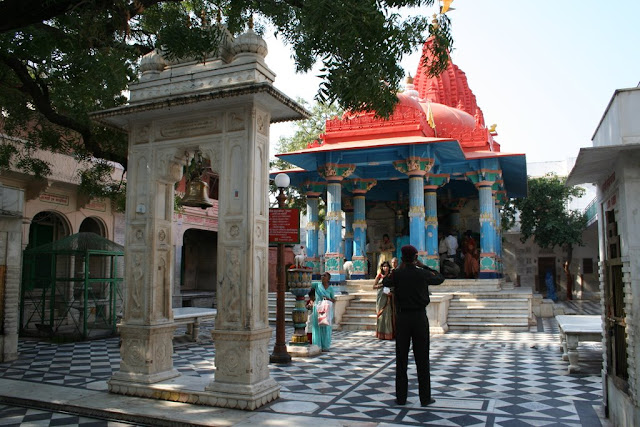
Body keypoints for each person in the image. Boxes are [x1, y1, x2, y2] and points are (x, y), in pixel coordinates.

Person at [384, 244, 444, 407]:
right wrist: (423, 265)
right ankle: (425, 398)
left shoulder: (397, 274)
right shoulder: (422, 273)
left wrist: (396, 268)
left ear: (402, 258)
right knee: (422, 358)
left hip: (402, 317)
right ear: (416, 258)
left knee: (401, 359)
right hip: (419, 317)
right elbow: (439, 278)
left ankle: (401, 397)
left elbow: (385, 281)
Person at [310, 272, 336, 351]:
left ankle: (325, 345)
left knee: (326, 326)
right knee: (317, 327)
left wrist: (328, 299)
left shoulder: (330, 288)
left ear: (328, 278)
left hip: (326, 309)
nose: (322, 277)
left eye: (324, 276)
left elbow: (334, 299)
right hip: (317, 308)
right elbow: (308, 286)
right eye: (321, 275)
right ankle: (317, 345)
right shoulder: (317, 285)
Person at [373, 261, 395, 340]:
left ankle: (388, 333)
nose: (386, 268)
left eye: (387, 266)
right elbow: (374, 286)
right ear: (381, 267)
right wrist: (382, 284)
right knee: (381, 315)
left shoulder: (390, 276)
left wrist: (390, 292)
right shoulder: (379, 276)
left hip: (388, 296)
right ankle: (380, 333)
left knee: (387, 314)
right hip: (381, 296)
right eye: (384, 266)